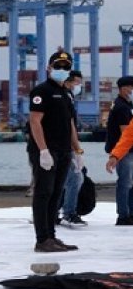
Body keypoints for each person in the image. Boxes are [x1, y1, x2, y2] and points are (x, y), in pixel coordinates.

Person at [26, 50, 84, 252]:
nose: (61, 70)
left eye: (65, 67)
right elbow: (35, 121)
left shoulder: (67, 93)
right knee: (44, 193)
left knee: (56, 193)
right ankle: (42, 239)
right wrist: (43, 150)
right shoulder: (42, 91)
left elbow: (70, 123)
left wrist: (77, 150)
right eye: (57, 66)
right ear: (48, 68)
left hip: (63, 150)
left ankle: (51, 236)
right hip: (46, 151)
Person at [59, 70, 87, 227]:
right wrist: (77, 150)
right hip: (65, 146)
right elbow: (69, 126)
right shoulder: (64, 98)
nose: (78, 86)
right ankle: (69, 213)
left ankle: (56, 211)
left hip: (65, 146)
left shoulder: (67, 98)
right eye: (76, 82)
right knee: (75, 178)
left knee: (64, 180)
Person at [104, 75, 133, 225]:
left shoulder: (125, 105)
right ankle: (124, 214)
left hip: (123, 149)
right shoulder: (122, 107)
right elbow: (126, 133)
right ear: (123, 88)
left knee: (128, 182)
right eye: (130, 87)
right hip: (124, 151)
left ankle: (128, 212)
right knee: (126, 182)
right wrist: (115, 155)